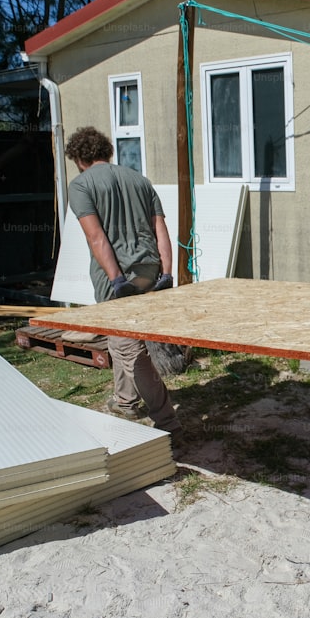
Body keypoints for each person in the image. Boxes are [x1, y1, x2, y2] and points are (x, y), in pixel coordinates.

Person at [64, 126, 182, 438]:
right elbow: (161, 231)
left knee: (130, 349)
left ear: (78, 158)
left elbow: (95, 237)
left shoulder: (81, 185)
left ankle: (167, 421)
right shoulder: (140, 181)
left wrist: (116, 280)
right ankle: (125, 400)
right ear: (106, 151)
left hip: (116, 277)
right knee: (122, 340)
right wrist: (167, 274)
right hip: (149, 271)